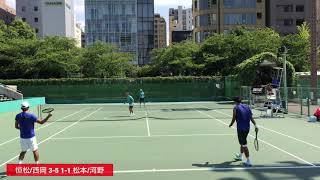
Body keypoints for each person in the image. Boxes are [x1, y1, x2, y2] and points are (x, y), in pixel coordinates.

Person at [229, 97, 258, 166]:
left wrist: (231, 124)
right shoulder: (247, 106)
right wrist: (255, 125)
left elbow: (234, 118)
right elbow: (251, 117)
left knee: (244, 144)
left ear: (235, 102)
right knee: (242, 142)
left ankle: (248, 161)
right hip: (247, 128)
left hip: (240, 129)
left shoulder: (235, 108)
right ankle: (241, 156)